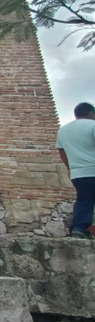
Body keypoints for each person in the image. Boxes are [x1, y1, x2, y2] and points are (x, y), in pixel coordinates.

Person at [56, 102, 95, 238]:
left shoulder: (63, 130)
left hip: (78, 173)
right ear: (91, 113)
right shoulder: (93, 125)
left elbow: (62, 153)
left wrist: (70, 169)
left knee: (84, 200)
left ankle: (79, 228)